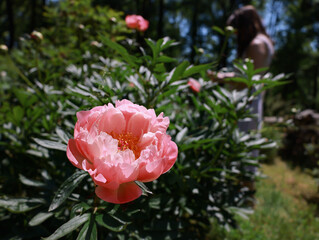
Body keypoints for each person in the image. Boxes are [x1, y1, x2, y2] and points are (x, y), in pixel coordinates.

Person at [208, 5, 275, 206]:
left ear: (244, 26)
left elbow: (245, 80)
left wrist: (219, 78)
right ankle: (240, 200)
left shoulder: (256, 44)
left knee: (244, 152)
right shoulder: (264, 41)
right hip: (250, 102)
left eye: (237, 30)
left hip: (247, 104)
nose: (236, 35)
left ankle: (246, 202)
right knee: (243, 151)